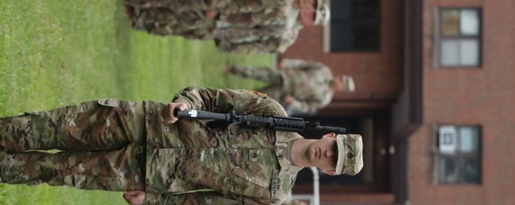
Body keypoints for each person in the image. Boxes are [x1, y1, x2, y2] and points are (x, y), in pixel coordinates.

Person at [0, 85, 363, 205]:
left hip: (149, 173)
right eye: (332, 148)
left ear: (328, 173)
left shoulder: (274, 193)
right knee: (62, 124)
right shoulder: (273, 114)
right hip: (151, 123)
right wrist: (184, 102)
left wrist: (152, 202)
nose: (326, 155)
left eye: (333, 162)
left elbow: (203, 204)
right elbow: (212, 96)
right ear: (328, 136)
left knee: (60, 169)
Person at [125, 0, 329, 55]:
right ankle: (139, 9)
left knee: (181, 26)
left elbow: (256, 36)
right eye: (312, 5)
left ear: (312, 23)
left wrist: (231, 43)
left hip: (226, 28)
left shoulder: (288, 32)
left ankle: (142, 21)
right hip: (226, 13)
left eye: (312, 14)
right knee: (182, 8)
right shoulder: (284, 9)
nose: (308, 9)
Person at [229, 60, 354, 115]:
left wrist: (293, 103)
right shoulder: (324, 70)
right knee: (259, 72)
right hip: (286, 76)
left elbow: (307, 107)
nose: (338, 79)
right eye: (340, 78)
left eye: (341, 82)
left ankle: (231, 99)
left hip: (286, 93)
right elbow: (304, 64)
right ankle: (232, 69)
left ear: (341, 88)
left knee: (256, 97)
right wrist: (288, 63)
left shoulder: (325, 99)